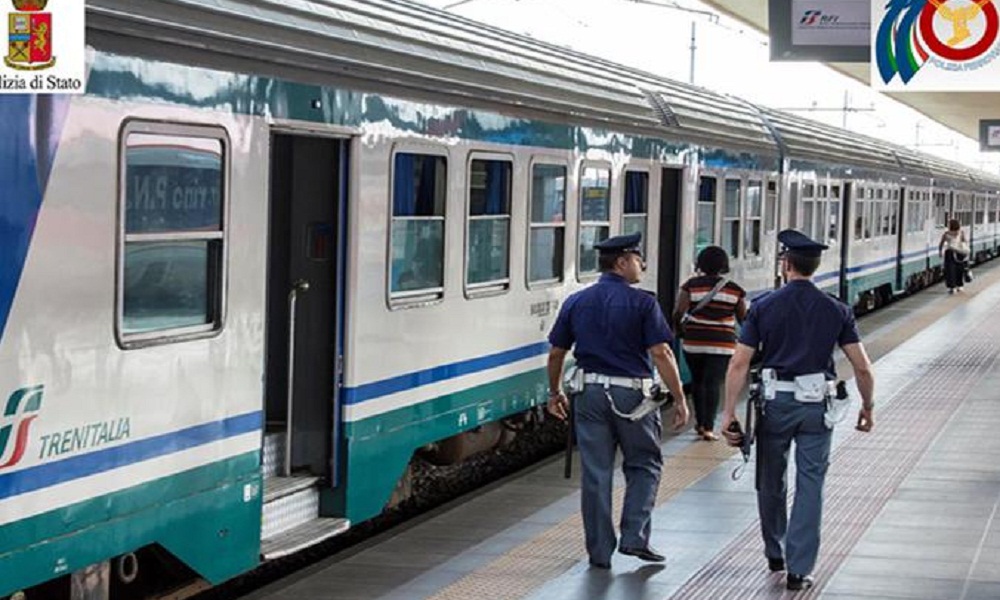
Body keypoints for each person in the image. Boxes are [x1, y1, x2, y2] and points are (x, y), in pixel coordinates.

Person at [721, 229, 875, 591]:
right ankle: (798, 569)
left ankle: (775, 551)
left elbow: (739, 364)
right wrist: (867, 406)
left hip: (775, 403)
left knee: (770, 479)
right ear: (816, 266)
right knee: (811, 484)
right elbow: (863, 367)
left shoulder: (764, 306)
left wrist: (728, 412)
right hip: (816, 406)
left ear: (786, 264)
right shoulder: (837, 309)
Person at [546, 232, 690, 570]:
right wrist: (680, 398)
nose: (641, 265)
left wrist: (554, 392)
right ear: (622, 263)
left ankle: (599, 553)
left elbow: (556, 353)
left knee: (595, 474)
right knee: (644, 464)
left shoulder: (576, 301)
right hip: (633, 396)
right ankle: (634, 537)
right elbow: (661, 352)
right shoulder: (643, 303)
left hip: (590, 393)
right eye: (638, 259)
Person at [672, 246, 747, 442]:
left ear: (700, 264)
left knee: (697, 381)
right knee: (713, 382)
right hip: (723, 344)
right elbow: (743, 319)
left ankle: (699, 422)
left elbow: (678, 312)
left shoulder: (690, 285)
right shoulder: (735, 290)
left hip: (694, 341)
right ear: (724, 265)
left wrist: (680, 331)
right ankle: (708, 427)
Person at [938, 219, 969, 293]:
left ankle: (952, 287)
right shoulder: (961, 233)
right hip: (960, 253)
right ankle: (960, 285)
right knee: (959, 270)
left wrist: (940, 252)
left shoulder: (946, 234)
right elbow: (965, 242)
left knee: (950, 271)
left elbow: (941, 243)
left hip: (949, 253)